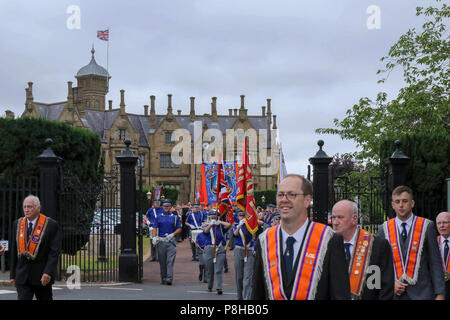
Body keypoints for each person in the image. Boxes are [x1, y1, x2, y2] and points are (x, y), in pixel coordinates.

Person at [252, 174, 350, 300]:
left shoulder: (329, 239)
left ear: (307, 200)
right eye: (280, 194)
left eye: (292, 194)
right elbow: (257, 294)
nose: (284, 199)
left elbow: (340, 295)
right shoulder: (265, 240)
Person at [377, 185, 445, 300]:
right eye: (397, 202)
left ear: (412, 203)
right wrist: (390, 283)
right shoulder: (383, 229)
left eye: (405, 201)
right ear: (392, 205)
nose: (401, 205)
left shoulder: (426, 226)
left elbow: (435, 262)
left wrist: (440, 294)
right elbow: (379, 264)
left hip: (422, 293)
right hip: (394, 294)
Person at [331, 199, 394, 300]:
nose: (335, 222)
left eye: (340, 217)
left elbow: (386, 286)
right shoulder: (327, 246)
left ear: (354, 219)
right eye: (333, 217)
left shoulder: (378, 245)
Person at [9, 195, 61, 300]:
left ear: (38, 208)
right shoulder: (17, 224)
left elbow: (54, 252)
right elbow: (14, 251)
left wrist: (48, 272)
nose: (26, 210)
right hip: (22, 276)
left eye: (30, 207)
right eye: (24, 207)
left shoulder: (51, 225)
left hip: (42, 277)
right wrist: (12, 274)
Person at [152, 199, 182, 285]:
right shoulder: (158, 217)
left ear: (170, 207)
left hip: (171, 242)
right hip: (161, 241)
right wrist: (154, 237)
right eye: (165, 206)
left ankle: (169, 278)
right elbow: (155, 227)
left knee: (170, 261)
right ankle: (163, 277)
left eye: (168, 206)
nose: (166, 208)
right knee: (162, 261)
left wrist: (172, 234)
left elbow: (179, 228)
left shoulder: (175, 217)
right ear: (163, 207)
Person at [202, 209, 231, 295]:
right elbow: (205, 231)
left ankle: (219, 288)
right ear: (209, 218)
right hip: (209, 249)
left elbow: (229, 225)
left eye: (215, 217)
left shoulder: (221, 226)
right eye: (212, 218)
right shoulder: (206, 225)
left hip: (220, 249)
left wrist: (220, 222)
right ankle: (210, 286)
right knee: (210, 270)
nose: (213, 219)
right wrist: (211, 224)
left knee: (218, 270)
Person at [233, 210, 256, 300]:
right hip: (239, 250)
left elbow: (254, 238)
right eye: (240, 216)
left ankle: (247, 298)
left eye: (243, 216)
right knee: (239, 276)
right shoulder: (236, 226)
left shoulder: (251, 226)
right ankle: (240, 296)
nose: (242, 217)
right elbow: (235, 234)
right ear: (238, 217)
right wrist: (239, 226)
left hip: (249, 251)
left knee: (248, 276)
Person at [436, 211, 450, 300]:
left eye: (445, 222)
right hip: (438, 288)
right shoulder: (432, 242)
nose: (441, 226)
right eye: (439, 223)